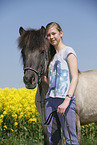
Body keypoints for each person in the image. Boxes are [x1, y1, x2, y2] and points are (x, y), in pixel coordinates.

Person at [44, 22, 79, 145]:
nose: (51, 37)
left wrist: (67, 100)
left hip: (64, 101)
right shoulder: (53, 58)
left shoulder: (68, 51)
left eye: (54, 33)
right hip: (50, 101)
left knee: (70, 139)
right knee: (53, 140)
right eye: (48, 35)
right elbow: (54, 81)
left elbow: (75, 77)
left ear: (61, 33)